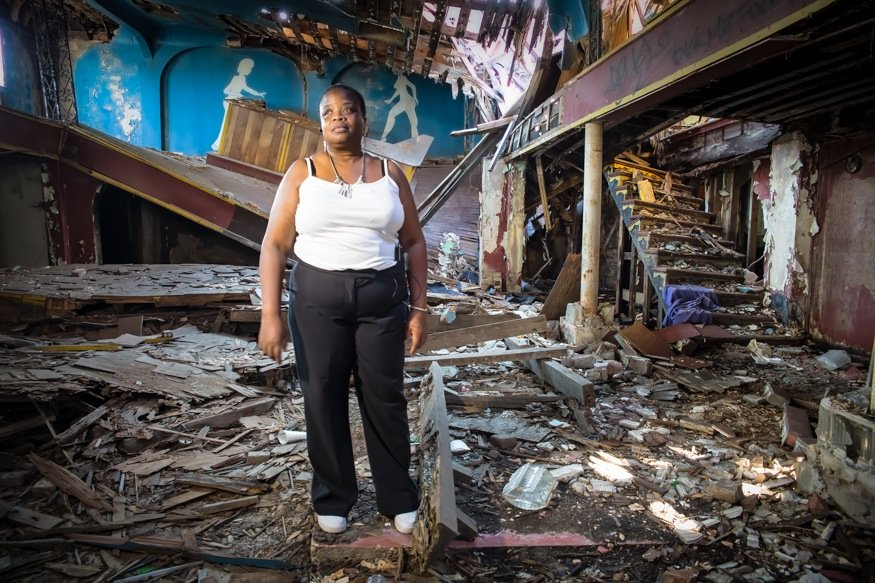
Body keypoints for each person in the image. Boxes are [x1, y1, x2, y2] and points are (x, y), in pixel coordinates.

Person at [258, 84, 428, 536]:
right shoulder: (302, 172)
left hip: (381, 301)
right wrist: (270, 314)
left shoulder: (392, 173)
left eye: (349, 110)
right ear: (320, 122)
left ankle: (397, 496)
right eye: (330, 111)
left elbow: (413, 242)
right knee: (322, 396)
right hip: (317, 303)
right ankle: (334, 498)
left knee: (384, 395)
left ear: (363, 120)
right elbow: (274, 244)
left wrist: (420, 308)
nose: (339, 118)